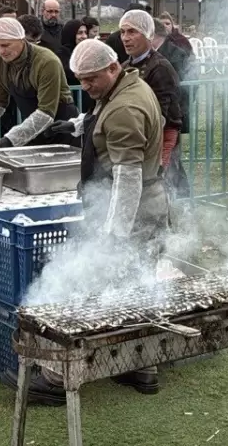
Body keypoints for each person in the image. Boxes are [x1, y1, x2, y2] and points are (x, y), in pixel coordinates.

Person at [48, 38, 167, 393]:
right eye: (80, 80)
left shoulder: (125, 108)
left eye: (91, 79)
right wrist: (76, 126)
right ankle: (140, 367)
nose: (85, 87)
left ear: (113, 68)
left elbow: (127, 178)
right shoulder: (126, 86)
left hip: (134, 210)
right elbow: (103, 117)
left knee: (125, 286)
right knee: (134, 285)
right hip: (142, 204)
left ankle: (64, 375)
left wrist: (115, 235)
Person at [0, 17, 77, 148]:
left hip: (61, 127)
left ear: (21, 39)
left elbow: (46, 112)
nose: (1, 51)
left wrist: (11, 139)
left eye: (5, 45)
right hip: (32, 127)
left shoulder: (46, 61)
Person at [119, 12, 187, 198]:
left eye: (132, 32)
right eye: (123, 32)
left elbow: (160, 116)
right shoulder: (125, 67)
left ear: (148, 34)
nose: (125, 38)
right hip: (136, 138)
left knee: (160, 192)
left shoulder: (160, 68)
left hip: (159, 138)